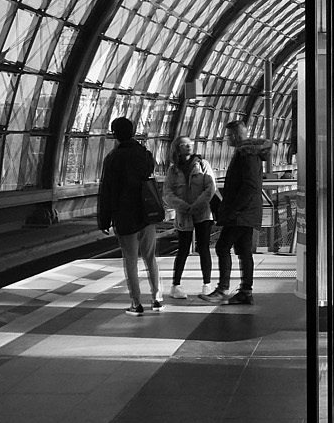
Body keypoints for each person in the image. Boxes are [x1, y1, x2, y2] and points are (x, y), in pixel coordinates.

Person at [203, 120, 272, 306]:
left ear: (234, 136)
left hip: (241, 213)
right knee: (243, 250)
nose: (226, 140)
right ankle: (245, 291)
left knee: (222, 247)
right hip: (247, 212)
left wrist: (235, 209)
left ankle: (223, 289)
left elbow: (250, 185)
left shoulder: (246, 155)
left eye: (227, 136)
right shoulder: (249, 153)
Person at [97, 116, 162, 315]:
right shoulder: (144, 154)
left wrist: (104, 219)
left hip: (124, 216)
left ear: (114, 133)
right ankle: (157, 297)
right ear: (133, 132)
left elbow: (106, 191)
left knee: (130, 260)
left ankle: (136, 302)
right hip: (145, 213)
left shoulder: (113, 158)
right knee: (150, 257)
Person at [162, 136, 217, 298]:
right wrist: (184, 206)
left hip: (203, 213)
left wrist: (197, 205)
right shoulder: (173, 171)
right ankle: (176, 285)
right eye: (184, 145)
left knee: (204, 248)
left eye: (190, 144)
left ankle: (207, 284)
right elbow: (167, 193)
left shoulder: (203, 165)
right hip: (184, 214)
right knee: (183, 249)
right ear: (177, 148)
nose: (188, 147)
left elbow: (210, 187)